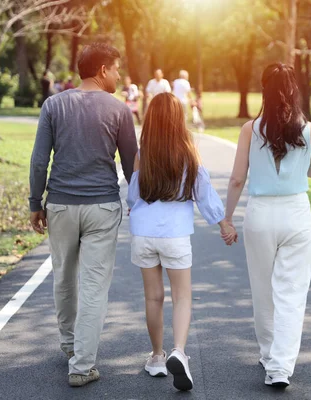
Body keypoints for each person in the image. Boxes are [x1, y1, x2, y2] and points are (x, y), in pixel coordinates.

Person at [29, 43, 138, 388]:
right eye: (117, 69)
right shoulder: (119, 110)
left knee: (63, 277)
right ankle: (82, 365)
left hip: (60, 205)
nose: (119, 76)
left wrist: (36, 202)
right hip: (102, 208)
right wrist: (138, 201)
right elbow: (132, 164)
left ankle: (69, 345)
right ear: (103, 69)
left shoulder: (53, 105)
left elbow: (38, 160)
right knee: (94, 286)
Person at [126, 93, 236, 391]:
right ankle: (179, 350)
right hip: (175, 234)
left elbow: (133, 196)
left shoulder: (142, 153)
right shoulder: (188, 152)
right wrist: (223, 223)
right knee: (182, 296)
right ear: (178, 119)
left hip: (144, 233)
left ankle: (157, 357)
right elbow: (205, 195)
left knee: (153, 298)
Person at [223, 63, 311, 389]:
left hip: (261, 214)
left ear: (264, 89)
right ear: (294, 89)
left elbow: (238, 179)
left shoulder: (250, 130)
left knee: (263, 291)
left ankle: (269, 356)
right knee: (292, 294)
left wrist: (228, 217)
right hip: (296, 213)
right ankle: (280, 367)